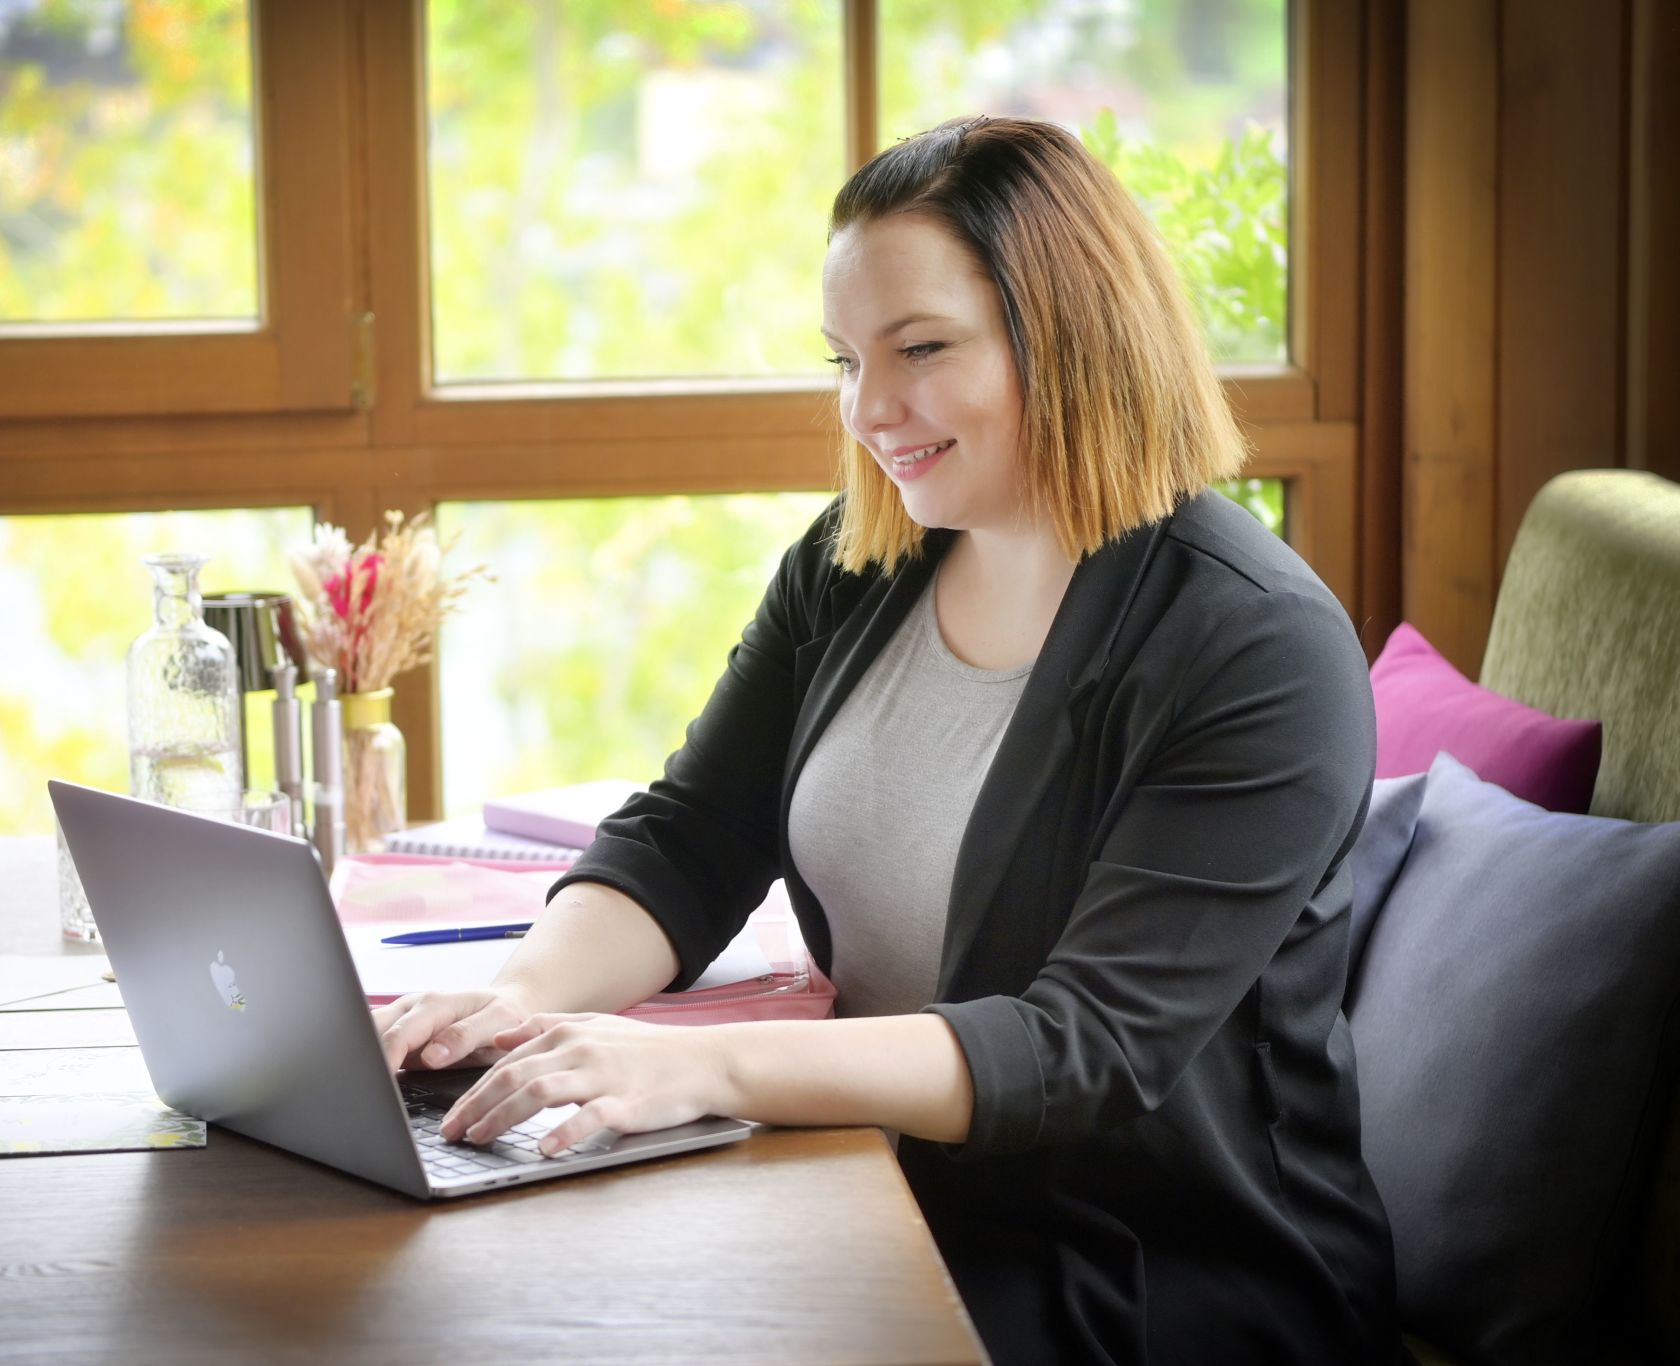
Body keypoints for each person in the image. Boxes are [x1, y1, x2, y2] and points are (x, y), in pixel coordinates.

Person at [372, 115, 1400, 1365]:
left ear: (1070, 336)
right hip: (877, 1185)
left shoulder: (1253, 646)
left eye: (919, 349)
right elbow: (692, 836)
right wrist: (511, 1001)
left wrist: (702, 1071)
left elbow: (1087, 1048)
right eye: (843, 360)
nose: (869, 409)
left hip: (1141, 1268)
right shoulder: (859, 560)